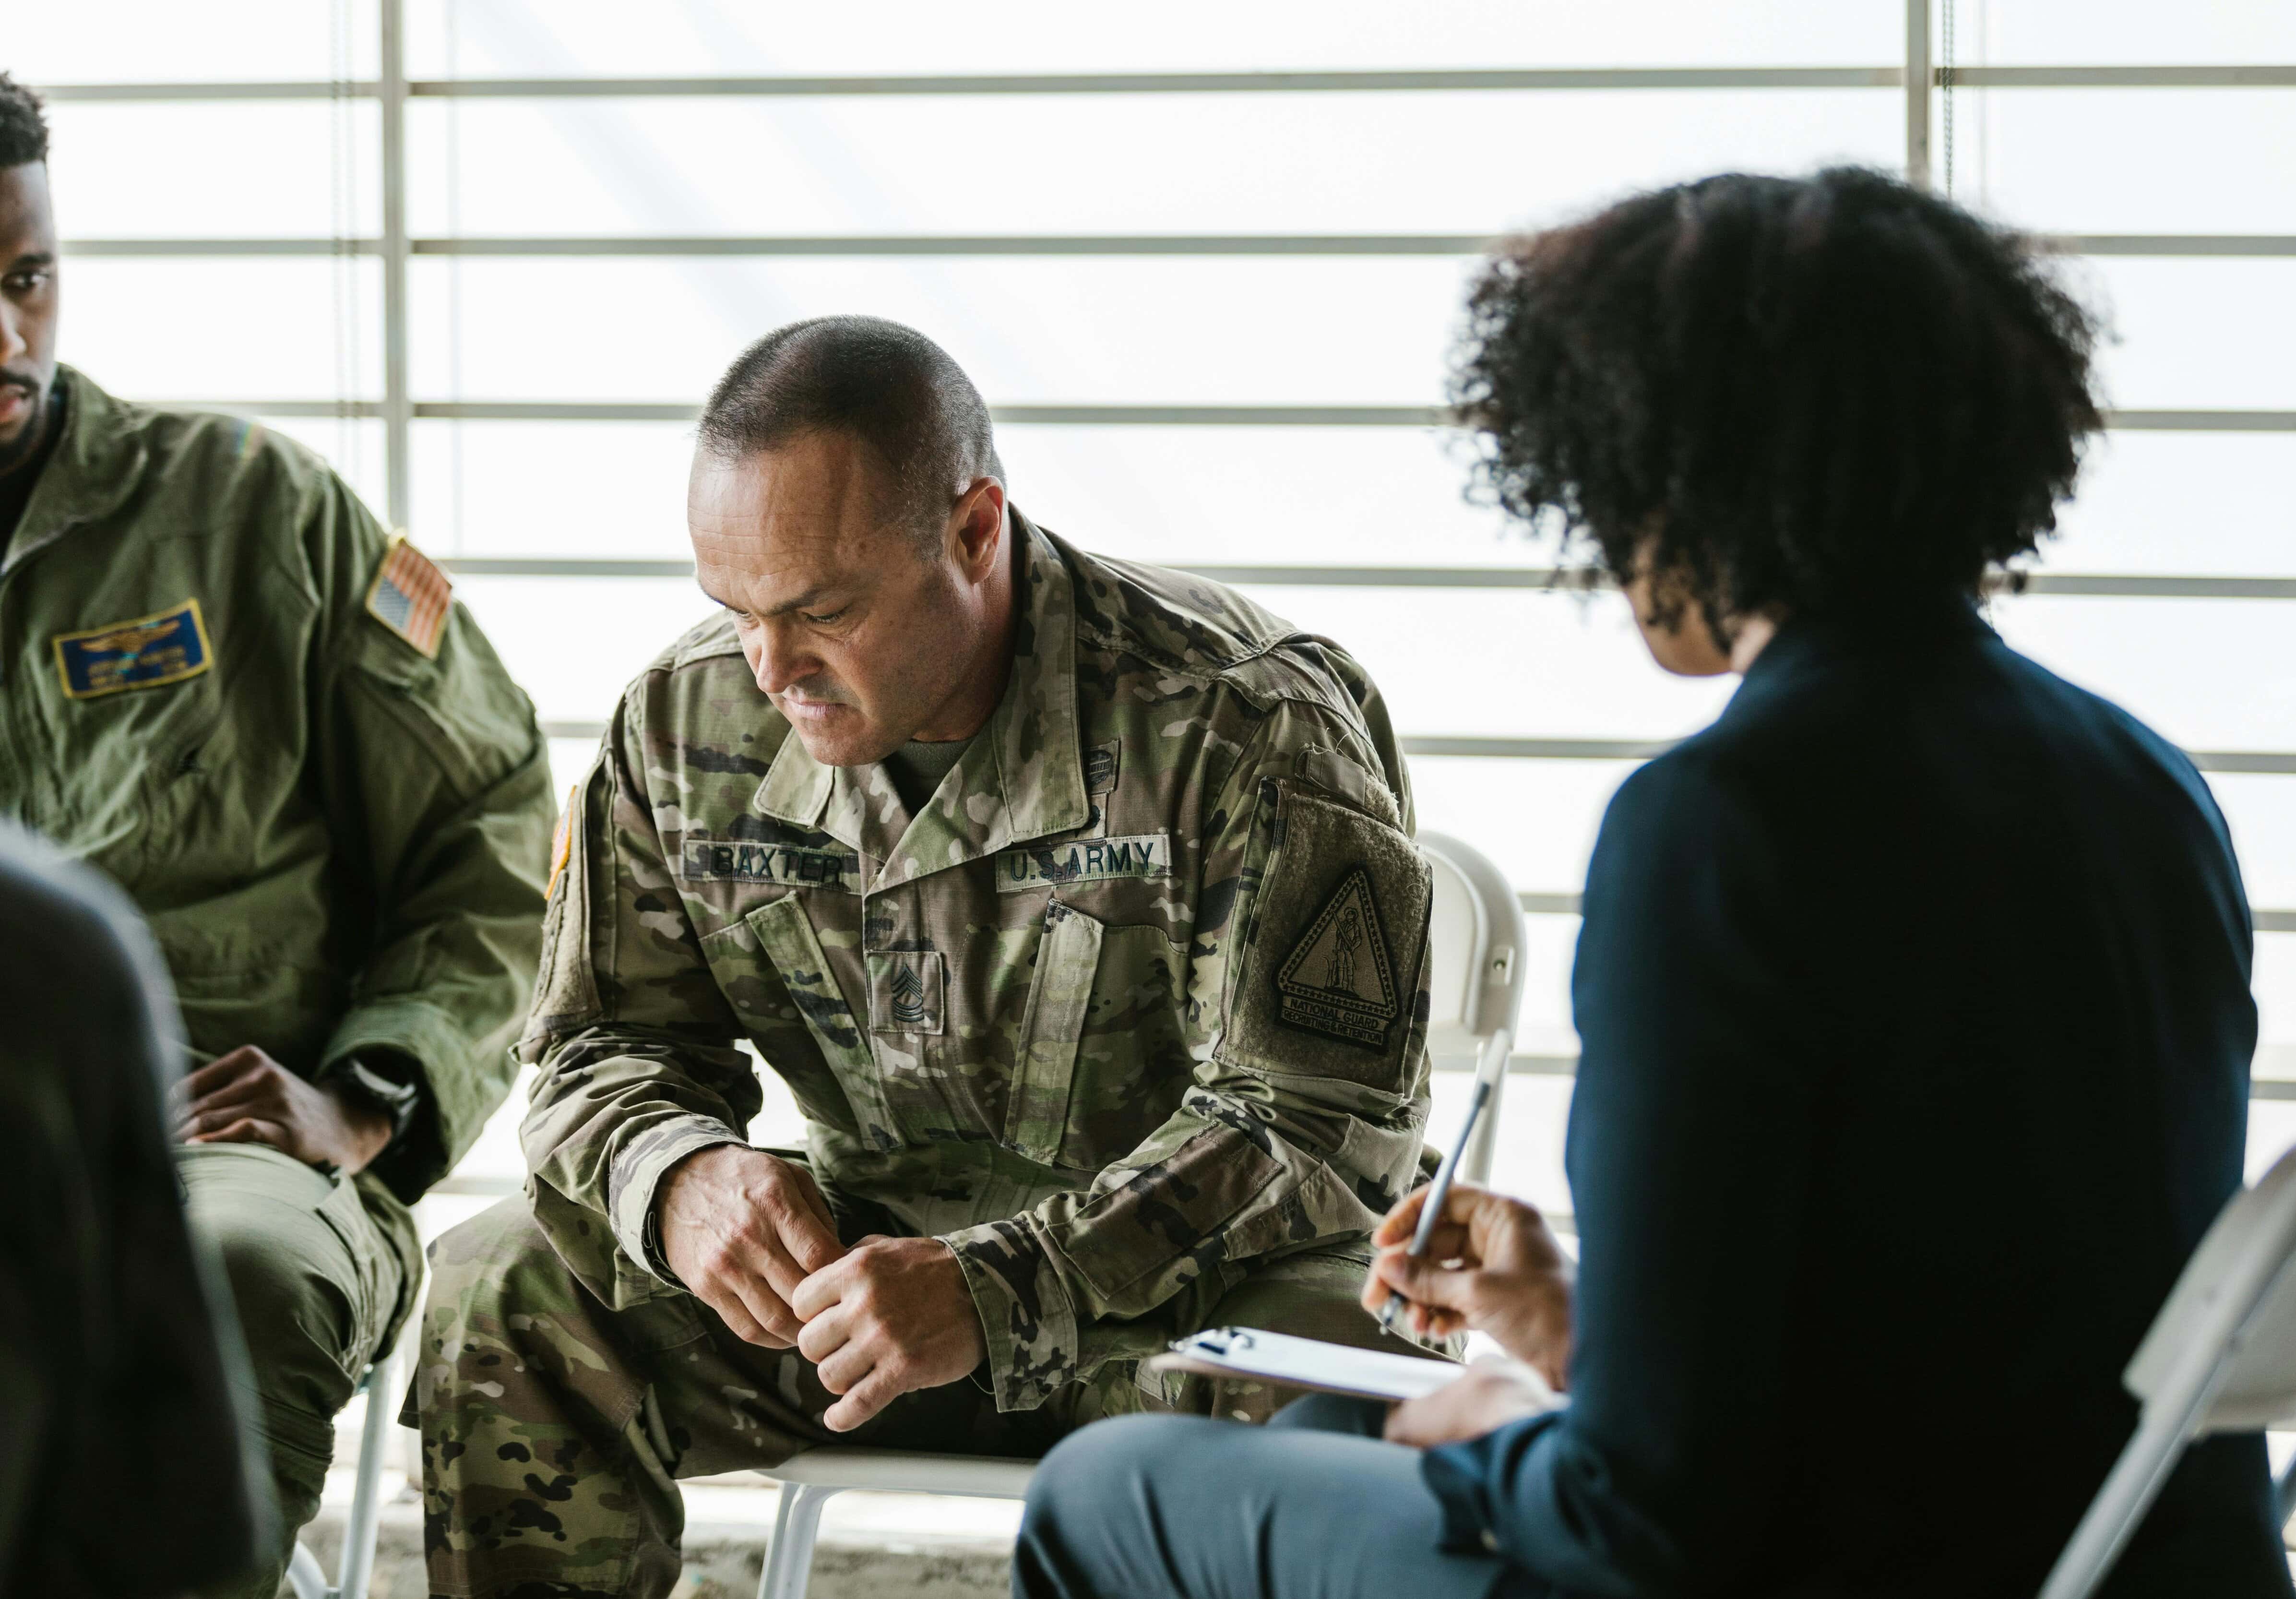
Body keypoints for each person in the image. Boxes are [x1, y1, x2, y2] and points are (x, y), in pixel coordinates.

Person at [1013, 167, 2296, 1599]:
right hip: (2113, 1558)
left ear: (1663, 467)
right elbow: (1976, 1301)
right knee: (1331, 1425)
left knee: (1104, 1489)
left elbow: (1651, 1526)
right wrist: (1582, 1331)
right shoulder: (2143, 783)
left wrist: (1497, 1435)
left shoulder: (1724, 823)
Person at [409, 314, 1447, 1598]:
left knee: (1333, 1380)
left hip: (1193, 1299)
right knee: (504, 1280)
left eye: (823, 611)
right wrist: (675, 1175)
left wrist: (1004, 1284)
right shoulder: (686, 721)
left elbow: (1322, 1124)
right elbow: (596, 1041)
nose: (772, 668)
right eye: (735, 611)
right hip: (863, 1290)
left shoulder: (1243, 717)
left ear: (972, 531)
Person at [0, 73, 555, 1596]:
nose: (6, 338)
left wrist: (376, 1092)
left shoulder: (250, 511)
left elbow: (492, 819)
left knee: (236, 1277)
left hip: (217, 1146)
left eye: (28, 277)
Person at [0, 825, 270, 1598]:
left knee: (260, 1269)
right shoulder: (50, 935)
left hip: (245, 1111)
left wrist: (379, 1089)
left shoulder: (43, 946)